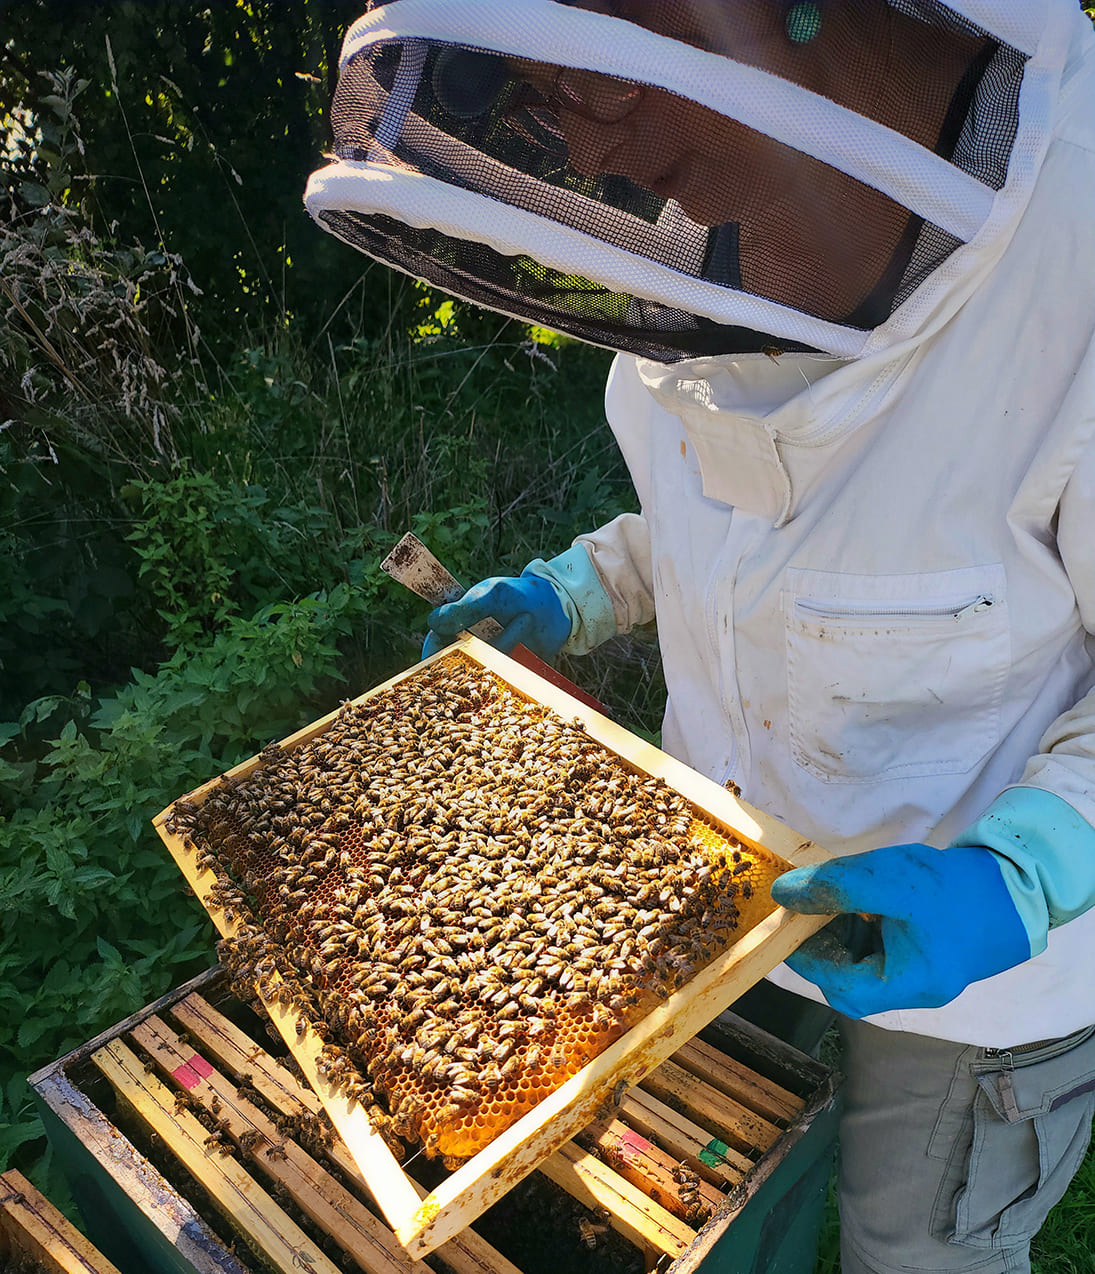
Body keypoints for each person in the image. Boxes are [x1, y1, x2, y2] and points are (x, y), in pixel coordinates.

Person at [306, 3, 1095, 1270]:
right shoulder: (702, 250)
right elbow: (730, 503)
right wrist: (578, 588)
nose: (588, 150)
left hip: (993, 967)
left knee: (919, 1245)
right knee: (745, 1199)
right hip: (730, 882)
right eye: (544, 97)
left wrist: (1029, 867)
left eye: (598, 81)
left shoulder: (1078, 278)